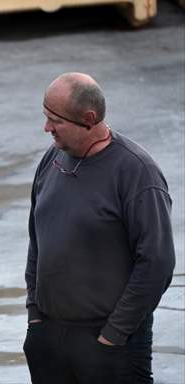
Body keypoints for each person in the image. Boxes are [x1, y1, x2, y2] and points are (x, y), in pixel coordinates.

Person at [23, 72, 175, 384]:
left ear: (89, 119)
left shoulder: (136, 173)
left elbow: (156, 263)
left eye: (56, 120)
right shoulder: (52, 159)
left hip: (110, 347)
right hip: (50, 338)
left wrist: (113, 336)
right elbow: (37, 239)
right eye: (45, 116)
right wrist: (35, 316)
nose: (46, 128)